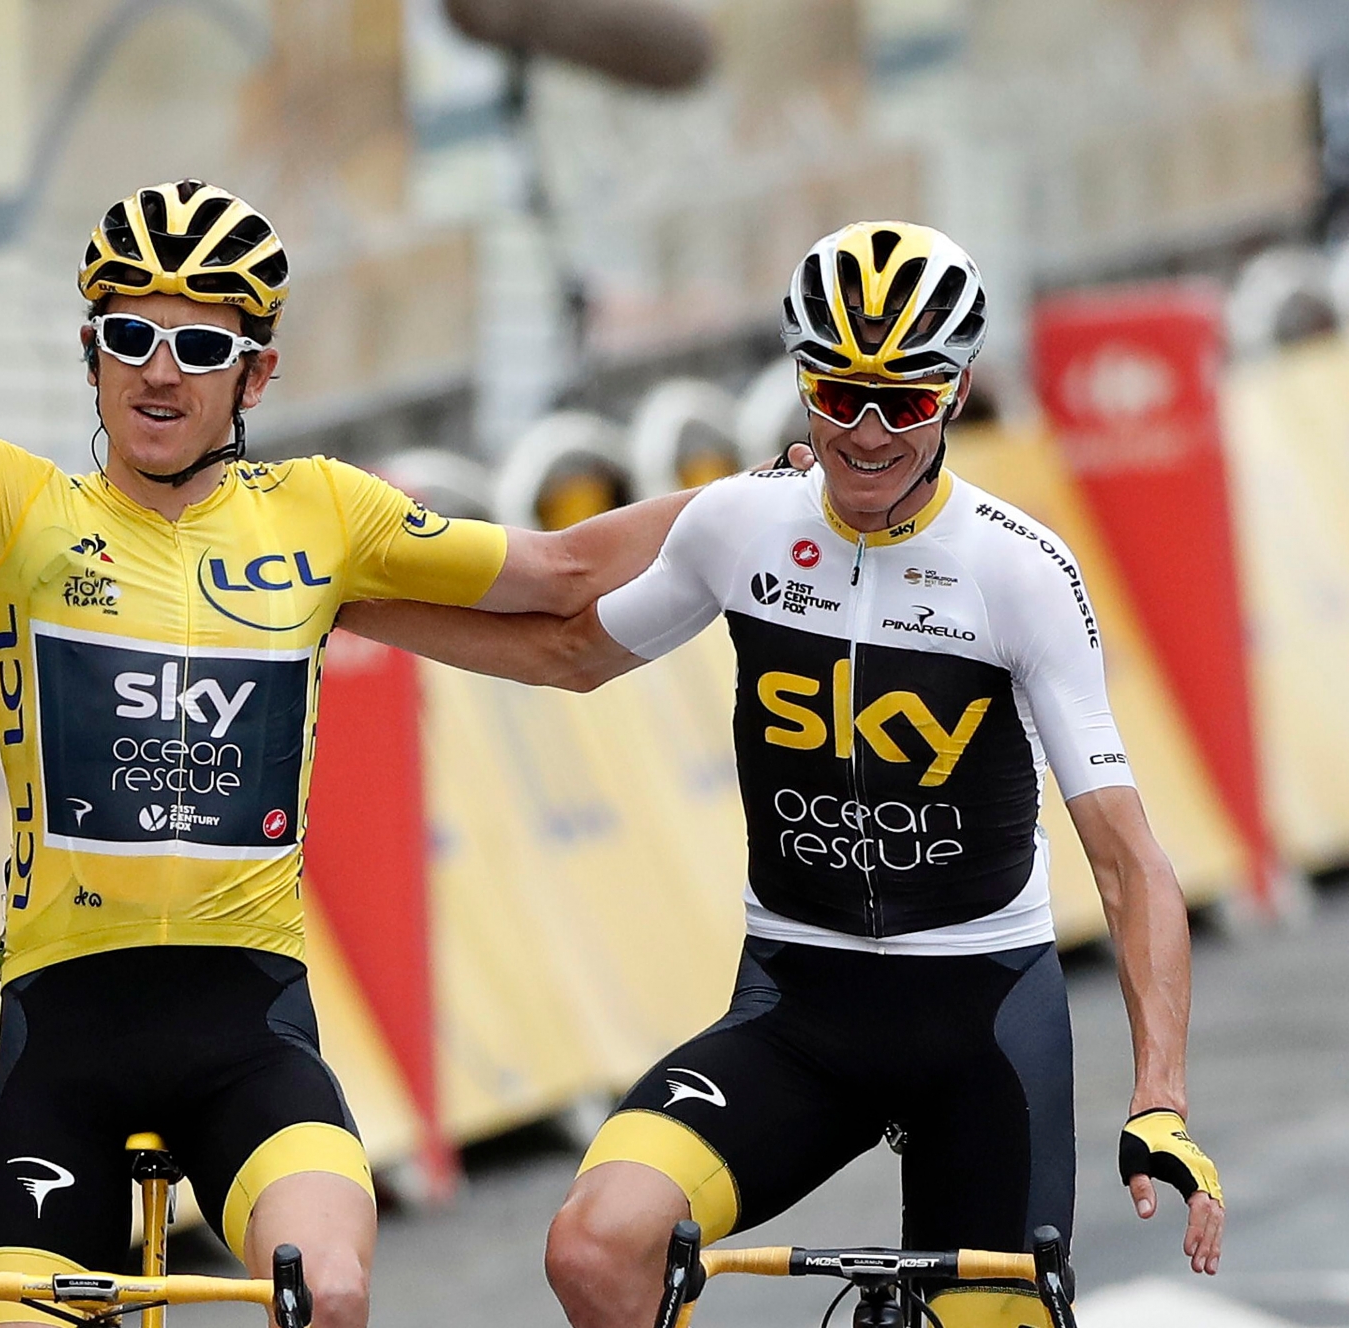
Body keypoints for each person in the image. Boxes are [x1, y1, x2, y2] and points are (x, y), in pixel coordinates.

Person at [0, 32, 724, 1328]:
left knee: (327, 1292)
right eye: (129, 336)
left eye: (199, 346)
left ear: (258, 373)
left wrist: (757, 506)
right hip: (64, 1044)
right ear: (89, 354)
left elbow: (561, 570)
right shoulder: (12, 514)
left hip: (249, 1034)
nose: (158, 372)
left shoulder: (323, 514)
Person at [338, 221, 1226, 1328]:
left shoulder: (1017, 569)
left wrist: (1160, 1092)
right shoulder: (739, 524)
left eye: (900, 401)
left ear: (952, 396)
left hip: (978, 1018)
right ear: (797, 381)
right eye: (835, 391)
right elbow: (567, 650)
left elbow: (1127, 859)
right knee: (596, 1247)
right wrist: (337, 600)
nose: (862, 431)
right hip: (798, 1008)